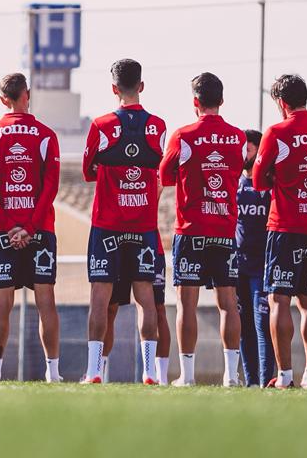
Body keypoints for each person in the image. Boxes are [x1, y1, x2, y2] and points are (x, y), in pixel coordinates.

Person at [159, 72, 247, 387]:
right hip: (224, 229)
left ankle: (188, 375)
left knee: (187, 304)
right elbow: (237, 171)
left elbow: (165, 176)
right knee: (228, 303)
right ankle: (231, 376)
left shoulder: (183, 136)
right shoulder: (238, 138)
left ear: (195, 102)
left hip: (191, 229)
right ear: (221, 100)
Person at [81, 58, 166, 385]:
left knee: (100, 298)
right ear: (141, 86)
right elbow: (160, 171)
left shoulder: (101, 125)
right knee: (146, 299)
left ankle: (93, 371)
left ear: (114, 88)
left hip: (107, 225)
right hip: (143, 226)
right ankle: (149, 372)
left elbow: (88, 171)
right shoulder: (158, 125)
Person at [0, 73, 62, 382]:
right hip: (40, 230)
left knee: (2, 304)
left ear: (3, 99)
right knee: (46, 302)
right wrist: (31, 227)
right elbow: (51, 186)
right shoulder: (46, 135)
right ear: (28, 94)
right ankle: (53, 373)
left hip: (3, 233)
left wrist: (10, 226)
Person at [253, 73, 307, 389]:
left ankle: (285, 375)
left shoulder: (277, 132)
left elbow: (258, 180)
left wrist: (278, 177)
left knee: (279, 299)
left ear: (281, 102)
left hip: (286, 226)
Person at [234, 130, 274, 387]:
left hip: (262, 266)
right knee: (243, 326)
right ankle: (250, 384)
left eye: (248, 149)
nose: (244, 154)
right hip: (238, 265)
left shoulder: (268, 185)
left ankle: (266, 381)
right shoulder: (234, 183)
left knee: (263, 324)